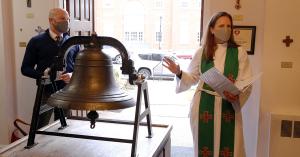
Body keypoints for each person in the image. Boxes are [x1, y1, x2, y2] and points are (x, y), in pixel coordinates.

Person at [163, 12, 252, 157]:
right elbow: (192, 78)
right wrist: (179, 72)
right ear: (212, 29)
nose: (226, 29)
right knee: (205, 148)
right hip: (204, 105)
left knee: (232, 148)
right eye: (221, 25)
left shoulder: (239, 52)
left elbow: (246, 81)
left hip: (228, 106)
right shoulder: (202, 52)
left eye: (229, 26)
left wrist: (237, 94)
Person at [21, 8, 80, 128]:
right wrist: (43, 75)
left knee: (65, 127)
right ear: (51, 20)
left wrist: (72, 75)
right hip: (45, 91)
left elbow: (80, 68)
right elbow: (25, 68)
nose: (67, 22)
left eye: (68, 19)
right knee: (40, 128)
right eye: (62, 19)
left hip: (67, 91)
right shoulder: (36, 41)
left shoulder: (73, 42)